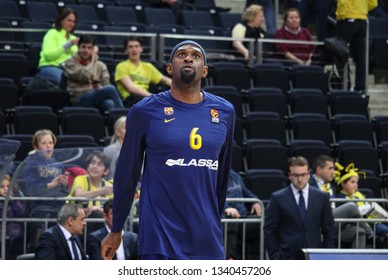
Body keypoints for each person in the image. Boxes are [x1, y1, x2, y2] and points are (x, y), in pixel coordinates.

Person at [101, 40, 236, 260]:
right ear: (170, 68)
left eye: (195, 55)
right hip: (160, 234)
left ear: (205, 70)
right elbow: (127, 174)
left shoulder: (225, 111)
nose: (189, 58)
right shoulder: (144, 111)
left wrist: (214, 219)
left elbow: (222, 176)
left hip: (206, 235)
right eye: (181, 54)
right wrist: (116, 229)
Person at [264, 156, 335, 260]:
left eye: (303, 175)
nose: (300, 179)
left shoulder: (322, 197)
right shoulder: (278, 198)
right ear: (289, 175)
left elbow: (329, 229)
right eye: (296, 175)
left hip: (314, 257)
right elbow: (269, 230)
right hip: (286, 258)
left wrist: (326, 255)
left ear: (308, 175)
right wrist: (275, 256)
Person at [310, 155, 373, 248]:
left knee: (359, 232)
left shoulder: (330, 186)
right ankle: (371, 234)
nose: (333, 172)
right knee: (351, 206)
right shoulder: (309, 184)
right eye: (330, 168)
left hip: (334, 223)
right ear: (319, 170)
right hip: (319, 224)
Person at [23, 129, 69, 246]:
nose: (48, 146)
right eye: (44, 143)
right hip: (38, 205)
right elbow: (30, 189)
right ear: (37, 147)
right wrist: (49, 186)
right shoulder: (31, 164)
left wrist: (64, 185)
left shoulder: (59, 165)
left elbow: (64, 193)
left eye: (50, 142)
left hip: (57, 205)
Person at [63, 34, 124, 111]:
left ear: (93, 49)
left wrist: (99, 87)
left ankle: (118, 121)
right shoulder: (70, 63)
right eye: (83, 47)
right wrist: (93, 59)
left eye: (89, 48)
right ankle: (125, 118)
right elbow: (85, 75)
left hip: (97, 95)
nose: (86, 50)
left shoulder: (100, 65)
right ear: (78, 47)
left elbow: (105, 84)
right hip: (79, 99)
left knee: (109, 103)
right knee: (111, 89)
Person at [334, 162, 388, 247]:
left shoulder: (358, 195)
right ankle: (375, 239)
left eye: (357, 182)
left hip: (372, 223)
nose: (356, 185)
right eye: (352, 182)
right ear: (343, 184)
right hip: (357, 226)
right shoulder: (339, 199)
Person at [115, 36, 171, 108]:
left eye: (136, 46)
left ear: (141, 49)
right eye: (131, 47)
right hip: (130, 99)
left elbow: (166, 80)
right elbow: (131, 88)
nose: (134, 49)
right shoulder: (121, 66)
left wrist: (182, 88)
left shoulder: (148, 66)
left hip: (146, 98)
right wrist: (153, 97)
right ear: (126, 50)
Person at [335, 0, 378, 92]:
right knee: (360, 58)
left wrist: (348, 10)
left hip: (346, 18)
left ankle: (344, 84)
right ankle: (360, 88)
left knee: (340, 54)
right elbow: (374, 3)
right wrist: (362, 9)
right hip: (361, 20)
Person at [68, 150, 113, 233]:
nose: (94, 166)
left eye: (99, 164)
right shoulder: (80, 179)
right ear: (88, 166)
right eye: (92, 163)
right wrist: (101, 191)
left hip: (101, 227)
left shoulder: (108, 187)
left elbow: (112, 212)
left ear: (106, 171)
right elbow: (79, 195)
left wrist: (97, 208)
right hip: (76, 223)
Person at [223, 169, 262, 260]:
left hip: (243, 218)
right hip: (223, 219)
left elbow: (247, 193)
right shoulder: (212, 177)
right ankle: (230, 258)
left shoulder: (235, 176)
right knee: (231, 219)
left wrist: (255, 202)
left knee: (265, 222)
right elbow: (210, 199)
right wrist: (226, 208)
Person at [37, 7, 79, 86]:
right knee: (65, 80)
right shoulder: (52, 33)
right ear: (61, 21)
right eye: (69, 21)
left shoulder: (73, 38)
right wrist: (68, 45)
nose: (72, 24)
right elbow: (48, 56)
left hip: (69, 70)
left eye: (74, 21)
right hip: (50, 67)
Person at [0, 175, 28, 259]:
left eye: (8, 186)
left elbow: (23, 213)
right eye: (2, 187)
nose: (6, 189)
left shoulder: (16, 199)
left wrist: (13, 201)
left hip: (14, 237)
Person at [103, 116, 126, 181]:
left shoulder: (140, 149)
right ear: (118, 132)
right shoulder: (109, 150)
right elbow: (105, 175)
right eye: (126, 128)